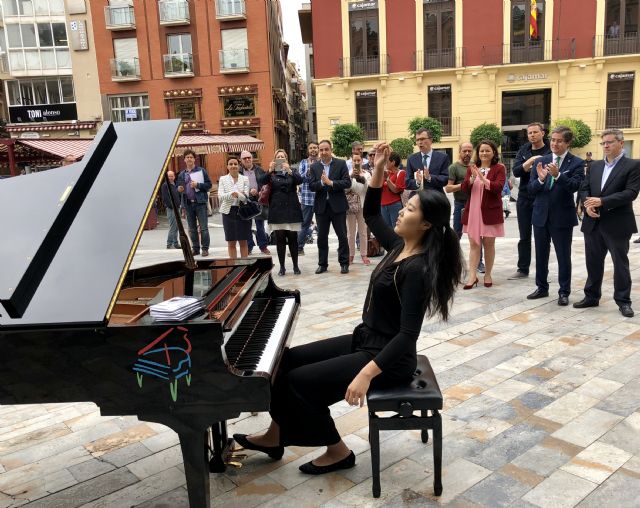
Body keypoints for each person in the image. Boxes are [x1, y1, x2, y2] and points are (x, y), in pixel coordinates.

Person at [232, 141, 463, 475]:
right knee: (284, 362)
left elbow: (408, 335)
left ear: (426, 224)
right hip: (367, 339)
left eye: (409, 209)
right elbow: (370, 213)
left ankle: (338, 451)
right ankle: (275, 434)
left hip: (389, 358)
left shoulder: (418, 269)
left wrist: (366, 375)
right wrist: (380, 169)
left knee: (300, 382)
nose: (400, 210)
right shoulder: (400, 245)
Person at [575, 129, 640, 317]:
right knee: (593, 262)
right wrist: (587, 205)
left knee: (620, 264)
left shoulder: (633, 165)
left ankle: (623, 301)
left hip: (617, 223)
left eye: (610, 142)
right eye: (603, 143)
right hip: (593, 222)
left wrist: (603, 202)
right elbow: (584, 187)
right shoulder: (594, 166)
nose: (606, 146)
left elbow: (631, 192)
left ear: (621, 143)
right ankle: (591, 296)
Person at [526, 126, 584, 306]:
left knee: (563, 256)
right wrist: (541, 179)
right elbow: (531, 190)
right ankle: (541, 287)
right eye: (553, 140)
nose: (555, 144)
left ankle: (564, 291)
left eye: (559, 141)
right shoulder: (540, 161)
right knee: (541, 254)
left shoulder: (576, 163)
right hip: (540, 215)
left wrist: (558, 176)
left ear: (567, 143)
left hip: (562, 217)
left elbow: (576, 186)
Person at [461, 140, 506, 289]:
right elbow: (464, 189)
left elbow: (498, 187)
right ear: (478, 153)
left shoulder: (499, 168)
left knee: (488, 244)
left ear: (493, 152)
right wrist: (472, 179)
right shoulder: (471, 168)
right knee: (474, 244)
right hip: (473, 211)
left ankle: (487, 274)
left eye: (487, 150)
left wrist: (483, 178)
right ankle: (472, 276)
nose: (484, 153)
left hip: (490, 211)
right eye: (481, 151)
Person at [509, 123, 551, 279]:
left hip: (544, 197)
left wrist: (527, 166)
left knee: (543, 236)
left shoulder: (550, 149)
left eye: (535, 132)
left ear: (542, 133)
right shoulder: (524, 150)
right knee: (524, 235)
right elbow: (517, 171)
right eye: (529, 133)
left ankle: (543, 270)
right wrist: (532, 159)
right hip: (525, 197)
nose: (532, 135)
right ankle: (523, 268)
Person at [307, 139, 352, 274]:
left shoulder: (341, 163)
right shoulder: (314, 167)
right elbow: (311, 186)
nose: (324, 152)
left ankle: (344, 264)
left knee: (342, 236)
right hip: (321, 208)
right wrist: (321, 183)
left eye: (326, 149)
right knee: (321, 237)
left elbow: (347, 183)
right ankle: (322, 264)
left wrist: (330, 182)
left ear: (331, 150)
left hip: (338, 207)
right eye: (321, 150)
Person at [445, 141, 485, 273]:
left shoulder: (477, 166)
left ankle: (479, 263)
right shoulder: (454, 167)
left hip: (476, 205)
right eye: (464, 151)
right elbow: (448, 188)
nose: (467, 153)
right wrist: (465, 184)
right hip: (460, 205)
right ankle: (452, 262)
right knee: (457, 234)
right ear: (459, 152)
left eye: (469, 151)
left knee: (477, 234)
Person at [264, 149, 303, 276]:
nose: (281, 158)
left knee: (293, 239)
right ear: (275, 159)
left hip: (292, 208)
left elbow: (300, 180)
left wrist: (290, 170)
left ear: (286, 159)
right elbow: (261, 181)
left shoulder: (292, 171)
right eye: (278, 157)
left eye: (283, 157)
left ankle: (296, 266)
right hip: (277, 210)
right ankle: (282, 267)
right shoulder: (272, 173)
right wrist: (269, 170)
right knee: (280, 239)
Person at [177, 149, 212, 256]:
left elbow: (209, 185)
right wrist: (179, 189)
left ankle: (205, 249)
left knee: (204, 228)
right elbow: (179, 188)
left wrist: (198, 185)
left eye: (191, 157)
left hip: (200, 202)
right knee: (192, 229)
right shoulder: (182, 174)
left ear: (194, 159)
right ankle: (195, 249)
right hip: (188, 204)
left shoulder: (201, 171)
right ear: (184, 160)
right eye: (187, 157)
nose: (189, 159)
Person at [218, 156, 251, 259]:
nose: (233, 166)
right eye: (231, 164)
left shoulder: (245, 179)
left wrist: (238, 194)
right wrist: (233, 193)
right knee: (231, 241)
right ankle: (233, 265)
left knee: (243, 240)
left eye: (235, 164)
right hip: (228, 212)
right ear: (227, 166)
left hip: (242, 211)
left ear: (239, 165)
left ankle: (244, 264)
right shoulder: (223, 179)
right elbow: (220, 196)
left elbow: (245, 197)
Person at [240, 150, 270, 255]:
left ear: (252, 158)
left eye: (249, 157)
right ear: (241, 160)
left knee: (260, 225)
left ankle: (263, 246)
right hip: (245, 200)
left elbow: (265, 183)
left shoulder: (259, 169)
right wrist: (248, 191)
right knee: (246, 225)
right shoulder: (239, 171)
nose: (247, 159)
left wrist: (259, 191)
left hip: (258, 199)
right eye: (245, 158)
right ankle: (249, 246)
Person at [405, 128, 450, 193]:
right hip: (417, 198)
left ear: (431, 140)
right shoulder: (411, 159)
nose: (420, 142)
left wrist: (430, 177)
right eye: (417, 140)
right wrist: (417, 182)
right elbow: (407, 182)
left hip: (436, 197)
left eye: (422, 139)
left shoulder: (443, 157)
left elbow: (445, 179)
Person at [346, 152, 371, 265]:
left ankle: (364, 254)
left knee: (363, 231)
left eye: (358, 160)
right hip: (350, 206)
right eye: (354, 161)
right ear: (351, 162)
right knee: (350, 232)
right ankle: (350, 255)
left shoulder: (367, 174)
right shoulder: (347, 174)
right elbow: (345, 189)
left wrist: (361, 179)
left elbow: (368, 189)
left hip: (363, 205)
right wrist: (351, 178)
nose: (356, 162)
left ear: (362, 161)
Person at [297, 142, 319, 255]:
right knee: (304, 224)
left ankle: (322, 248)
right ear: (308, 150)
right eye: (311, 148)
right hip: (307, 198)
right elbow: (300, 178)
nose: (313, 150)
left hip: (320, 198)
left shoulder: (321, 162)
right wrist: (309, 170)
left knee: (322, 224)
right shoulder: (303, 162)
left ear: (318, 149)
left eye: (315, 147)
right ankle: (299, 248)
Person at [380, 151, 406, 229]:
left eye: (387, 161)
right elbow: (378, 187)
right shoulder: (386, 173)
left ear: (393, 162)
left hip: (394, 205)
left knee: (397, 228)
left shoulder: (401, 173)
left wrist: (387, 179)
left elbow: (396, 190)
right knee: (387, 229)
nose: (385, 163)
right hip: (383, 205)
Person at [161, 170, 181, 249]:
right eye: (169, 176)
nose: (170, 177)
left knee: (176, 226)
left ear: (174, 177)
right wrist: (172, 207)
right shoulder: (165, 185)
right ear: (167, 177)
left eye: (172, 176)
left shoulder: (174, 184)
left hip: (177, 208)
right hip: (171, 209)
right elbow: (165, 198)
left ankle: (175, 243)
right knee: (173, 226)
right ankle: (169, 243)